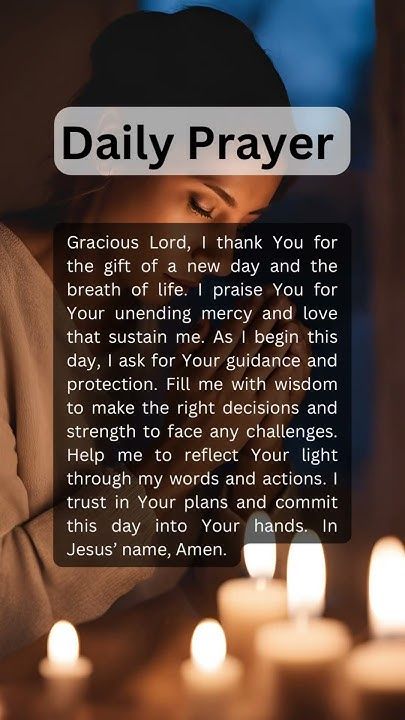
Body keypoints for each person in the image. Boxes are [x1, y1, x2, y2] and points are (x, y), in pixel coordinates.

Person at [0, 7, 310, 657]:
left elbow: (213, 597)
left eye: (242, 226)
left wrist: (254, 444)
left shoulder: (158, 333)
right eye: (202, 205)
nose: (217, 260)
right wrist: (181, 459)